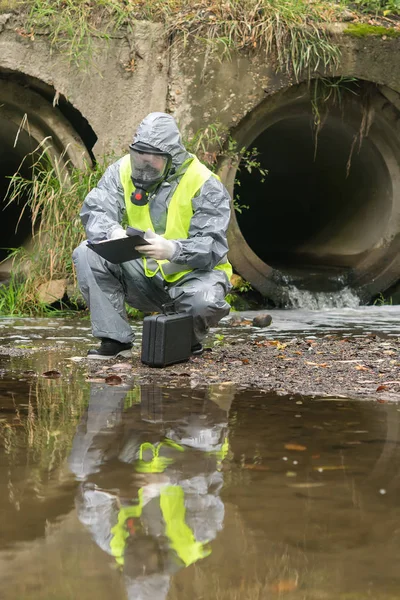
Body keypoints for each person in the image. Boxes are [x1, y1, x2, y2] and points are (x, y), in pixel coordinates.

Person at [72, 112, 232, 359]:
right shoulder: (123, 169)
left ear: (170, 158)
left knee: (205, 301)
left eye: (152, 161)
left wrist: (173, 250)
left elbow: (212, 246)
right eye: (139, 157)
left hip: (191, 279)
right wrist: (113, 232)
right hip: (145, 276)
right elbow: (96, 208)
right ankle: (115, 341)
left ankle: (187, 340)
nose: (143, 166)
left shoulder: (204, 183)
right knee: (86, 251)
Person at [68, 382, 234, 600]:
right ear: (163, 562)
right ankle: (183, 381)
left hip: (133, 440)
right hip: (182, 443)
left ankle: (109, 383)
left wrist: (106, 489)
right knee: (202, 431)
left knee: (81, 466)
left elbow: (88, 498)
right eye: (148, 567)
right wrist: (166, 479)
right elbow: (207, 468)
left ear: (124, 570)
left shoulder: (110, 539)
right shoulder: (197, 534)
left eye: (135, 569)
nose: (140, 563)